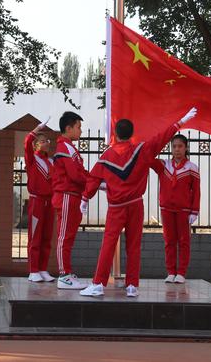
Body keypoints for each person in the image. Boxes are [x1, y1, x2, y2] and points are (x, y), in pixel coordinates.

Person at [79, 108, 197, 298]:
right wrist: (180, 122)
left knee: (108, 244)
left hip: (116, 208)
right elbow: (161, 137)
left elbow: (93, 178)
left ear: (116, 134)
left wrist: (85, 198)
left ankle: (98, 284)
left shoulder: (106, 156)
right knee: (134, 245)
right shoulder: (141, 150)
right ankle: (132, 285)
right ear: (132, 134)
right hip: (136, 205)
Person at [151, 134, 200, 284]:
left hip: (184, 210)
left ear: (186, 148)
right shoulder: (163, 165)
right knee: (169, 241)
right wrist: (160, 139)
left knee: (184, 241)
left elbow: (197, 191)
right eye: (174, 146)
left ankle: (181, 273)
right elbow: (148, 157)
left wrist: (194, 211)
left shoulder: (192, 168)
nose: (177, 149)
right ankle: (171, 272)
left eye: (180, 146)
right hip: (166, 209)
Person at [52, 111, 89, 289]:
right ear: (68, 128)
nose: (80, 131)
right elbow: (75, 175)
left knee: (69, 236)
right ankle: (63, 274)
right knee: (64, 237)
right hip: (66, 195)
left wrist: (97, 181)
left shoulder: (70, 147)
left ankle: (67, 272)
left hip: (73, 196)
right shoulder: (64, 147)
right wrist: (93, 182)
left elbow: (80, 172)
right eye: (78, 127)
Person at [24, 118, 55, 282]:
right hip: (36, 201)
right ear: (36, 145)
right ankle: (33, 270)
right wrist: (37, 129)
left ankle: (43, 269)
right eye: (42, 141)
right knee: (35, 236)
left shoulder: (51, 161)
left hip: (50, 202)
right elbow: (27, 141)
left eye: (47, 141)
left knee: (47, 237)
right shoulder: (32, 159)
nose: (46, 143)